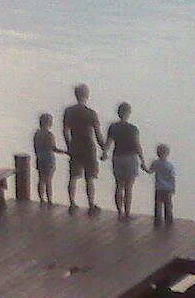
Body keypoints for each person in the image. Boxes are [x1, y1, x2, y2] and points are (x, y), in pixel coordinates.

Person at [61, 83, 105, 212]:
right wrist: (104, 148)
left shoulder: (68, 111)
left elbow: (65, 131)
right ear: (87, 95)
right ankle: (91, 204)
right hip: (88, 147)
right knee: (89, 178)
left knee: (73, 176)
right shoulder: (91, 113)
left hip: (75, 145)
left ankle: (72, 202)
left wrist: (69, 145)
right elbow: (97, 134)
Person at [102, 101, 146, 219]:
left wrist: (104, 153)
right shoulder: (133, 129)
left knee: (119, 185)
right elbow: (137, 145)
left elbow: (108, 142)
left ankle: (120, 212)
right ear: (128, 113)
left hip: (117, 157)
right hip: (130, 158)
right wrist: (142, 161)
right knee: (128, 188)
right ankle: (127, 213)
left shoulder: (113, 127)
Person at [32, 112, 66, 205]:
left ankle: (42, 199)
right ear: (48, 122)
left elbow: (35, 147)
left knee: (41, 180)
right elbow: (53, 148)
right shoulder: (49, 134)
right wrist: (65, 152)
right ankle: (49, 200)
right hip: (49, 160)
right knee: (48, 181)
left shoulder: (37, 134)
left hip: (39, 159)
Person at [147, 143, 176, 226]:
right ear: (167, 153)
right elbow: (172, 177)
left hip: (159, 188)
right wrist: (174, 188)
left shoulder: (156, 163)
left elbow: (150, 171)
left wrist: (144, 168)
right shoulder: (169, 165)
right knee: (168, 205)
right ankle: (169, 221)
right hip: (168, 188)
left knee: (158, 205)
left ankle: (157, 221)